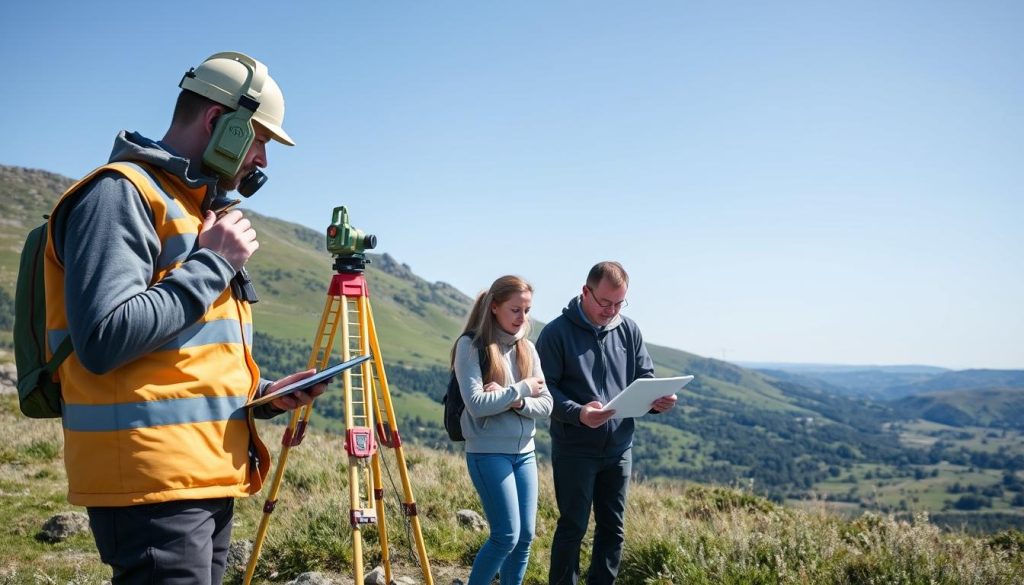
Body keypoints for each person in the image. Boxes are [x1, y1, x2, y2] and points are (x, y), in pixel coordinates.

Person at [43, 51, 325, 584]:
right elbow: (104, 338)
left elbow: (180, 358)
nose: (263, 159)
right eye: (260, 138)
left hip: (200, 476)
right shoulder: (120, 193)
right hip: (154, 481)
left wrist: (263, 394)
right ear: (220, 122)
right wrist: (214, 263)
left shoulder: (195, 208)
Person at [536, 261, 677, 585]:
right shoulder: (556, 333)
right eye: (605, 302)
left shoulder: (629, 329)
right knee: (573, 527)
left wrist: (658, 402)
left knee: (613, 529)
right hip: (574, 449)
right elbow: (545, 389)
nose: (612, 310)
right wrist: (578, 412)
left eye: (619, 303)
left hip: (619, 449)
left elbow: (644, 378)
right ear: (586, 292)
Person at [451, 275, 553, 585]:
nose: (523, 318)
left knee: (525, 538)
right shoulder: (470, 346)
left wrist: (513, 401)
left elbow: (547, 405)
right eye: (515, 309)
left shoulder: (528, 350)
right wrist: (521, 389)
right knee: (506, 536)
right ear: (494, 307)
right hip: (488, 453)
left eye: (527, 310)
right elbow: (478, 404)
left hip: (525, 454)